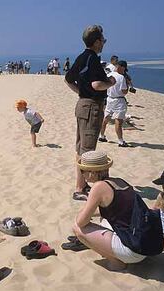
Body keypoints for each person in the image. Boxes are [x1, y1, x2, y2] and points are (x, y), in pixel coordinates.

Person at [71, 150, 150, 271]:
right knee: (104, 216)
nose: (82, 174)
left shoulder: (99, 187)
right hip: (145, 246)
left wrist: (80, 215)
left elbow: (81, 222)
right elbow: (117, 209)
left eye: (83, 171)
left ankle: (116, 262)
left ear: (92, 173)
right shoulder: (120, 182)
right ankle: (113, 250)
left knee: (77, 228)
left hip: (132, 251)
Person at [65, 24, 116, 201]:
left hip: (82, 105)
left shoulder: (82, 57)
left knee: (81, 148)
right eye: (103, 40)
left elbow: (68, 79)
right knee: (87, 150)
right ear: (96, 42)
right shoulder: (92, 59)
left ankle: (82, 184)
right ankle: (80, 188)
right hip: (92, 107)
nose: (104, 43)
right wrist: (110, 82)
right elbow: (96, 85)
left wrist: (80, 92)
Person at [99, 60, 130, 147]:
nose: (124, 71)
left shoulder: (108, 75)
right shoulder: (121, 77)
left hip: (109, 99)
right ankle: (120, 141)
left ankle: (101, 136)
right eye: (124, 69)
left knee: (106, 118)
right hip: (119, 100)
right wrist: (127, 86)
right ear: (122, 67)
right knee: (118, 121)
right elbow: (124, 92)